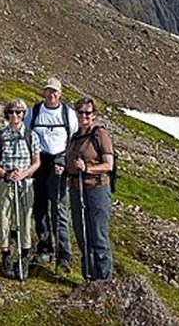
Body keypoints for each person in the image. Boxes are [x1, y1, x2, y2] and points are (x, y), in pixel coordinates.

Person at [25, 76, 78, 274]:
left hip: (59, 164)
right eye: (48, 90)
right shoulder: (34, 112)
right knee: (39, 207)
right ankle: (44, 247)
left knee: (59, 209)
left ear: (60, 94)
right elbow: (27, 135)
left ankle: (64, 254)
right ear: (43, 92)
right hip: (39, 162)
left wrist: (64, 161)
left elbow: (74, 141)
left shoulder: (68, 114)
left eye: (54, 91)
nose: (51, 94)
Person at [0, 99, 41, 279]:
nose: (15, 116)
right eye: (11, 112)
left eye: (19, 113)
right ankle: (6, 256)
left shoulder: (31, 136)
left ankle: (24, 257)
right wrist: (5, 174)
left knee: (25, 218)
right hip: (5, 182)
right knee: (3, 217)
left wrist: (24, 174)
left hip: (25, 183)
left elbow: (37, 162)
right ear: (7, 114)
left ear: (24, 115)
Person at [66, 96, 114, 281]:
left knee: (98, 237)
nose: (84, 116)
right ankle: (89, 279)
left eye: (88, 113)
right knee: (83, 236)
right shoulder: (75, 137)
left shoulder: (99, 134)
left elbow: (108, 165)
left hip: (96, 189)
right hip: (76, 190)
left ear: (94, 115)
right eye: (80, 112)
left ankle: (104, 282)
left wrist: (87, 168)